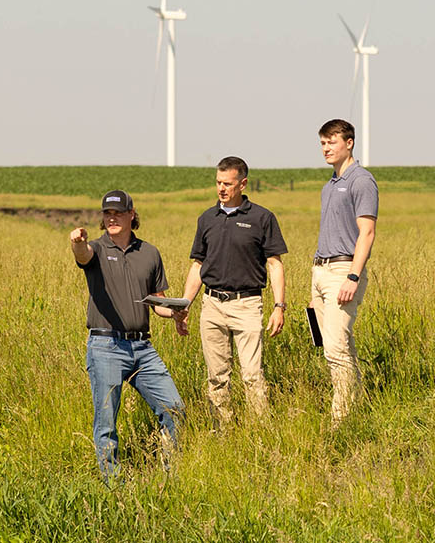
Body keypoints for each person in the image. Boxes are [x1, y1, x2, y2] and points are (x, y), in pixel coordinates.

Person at [70, 189, 186, 479]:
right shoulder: (95, 249)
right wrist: (77, 244)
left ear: (132, 215)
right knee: (107, 420)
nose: (112, 219)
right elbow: (83, 257)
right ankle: (113, 483)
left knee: (175, 410)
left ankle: (170, 476)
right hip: (105, 345)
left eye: (118, 213)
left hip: (142, 349)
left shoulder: (149, 253)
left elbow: (157, 301)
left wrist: (174, 312)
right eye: (107, 214)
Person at [181, 156, 287, 423]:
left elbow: (275, 265)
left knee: (252, 375)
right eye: (218, 182)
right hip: (212, 304)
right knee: (217, 377)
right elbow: (198, 266)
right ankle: (223, 429)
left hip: (248, 305)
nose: (221, 189)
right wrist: (184, 304)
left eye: (227, 183)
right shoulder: (207, 218)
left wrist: (279, 306)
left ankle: (260, 432)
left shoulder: (262, 218)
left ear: (243, 183)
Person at [312, 119, 378, 425]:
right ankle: (358, 404)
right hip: (320, 270)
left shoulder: (361, 181)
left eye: (332, 142)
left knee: (335, 348)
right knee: (332, 344)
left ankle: (342, 420)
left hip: (343, 270)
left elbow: (366, 233)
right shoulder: (330, 184)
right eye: (323, 143)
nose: (326, 148)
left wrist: (353, 276)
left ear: (349, 143)